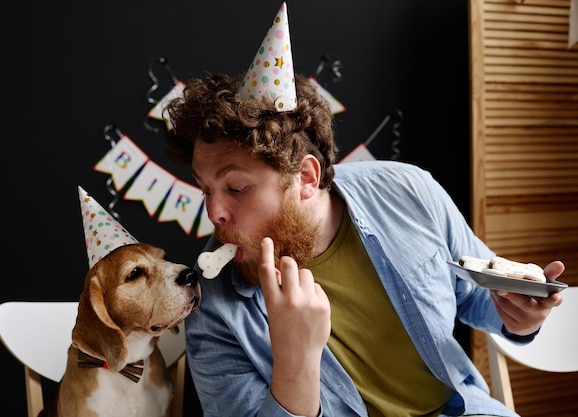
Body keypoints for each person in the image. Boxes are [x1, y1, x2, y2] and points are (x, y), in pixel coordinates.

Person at [164, 4, 565, 417]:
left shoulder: (408, 191)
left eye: (236, 188)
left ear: (305, 177)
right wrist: (296, 361)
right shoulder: (211, 307)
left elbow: (479, 298)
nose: (215, 212)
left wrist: (520, 317)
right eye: (205, 188)